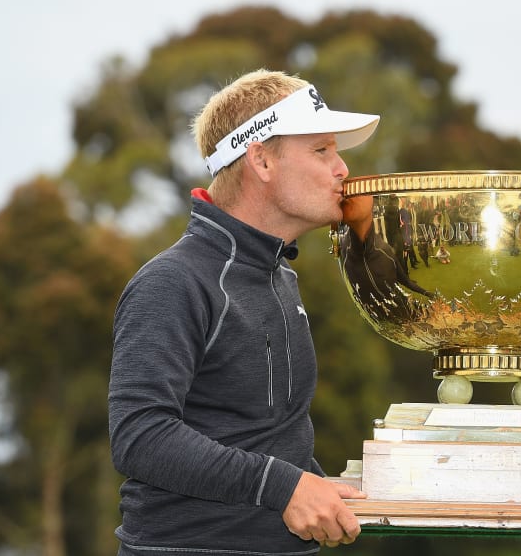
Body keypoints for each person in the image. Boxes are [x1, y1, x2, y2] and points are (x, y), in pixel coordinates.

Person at [108, 69, 380, 555]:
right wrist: (287, 487)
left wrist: (320, 486)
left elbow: (267, 437)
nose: (342, 169)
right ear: (261, 160)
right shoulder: (173, 281)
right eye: (322, 150)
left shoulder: (280, 275)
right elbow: (140, 435)